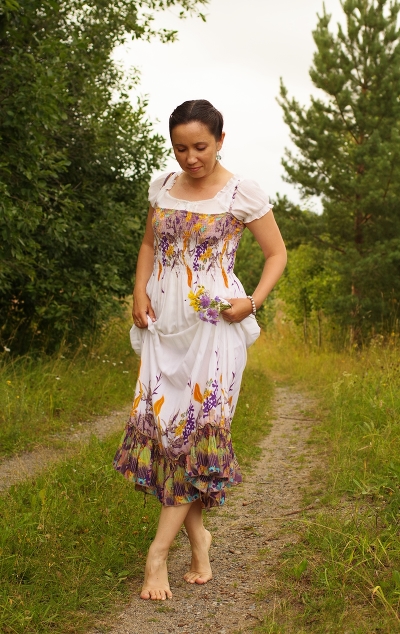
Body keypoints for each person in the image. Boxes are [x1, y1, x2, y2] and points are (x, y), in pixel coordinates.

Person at [113, 99, 287, 601]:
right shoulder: (163, 186)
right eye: (180, 148)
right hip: (164, 326)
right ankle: (199, 541)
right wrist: (138, 290)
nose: (190, 158)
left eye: (200, 147)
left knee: (193, 435)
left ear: (220, 140)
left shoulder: (241, 192)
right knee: (169, 436)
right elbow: (149, 245)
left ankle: (157, 554)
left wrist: (252, 301)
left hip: (214, 326)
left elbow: (277, 254)